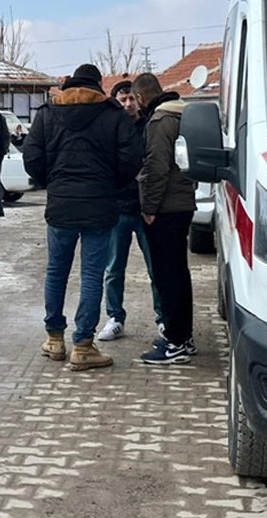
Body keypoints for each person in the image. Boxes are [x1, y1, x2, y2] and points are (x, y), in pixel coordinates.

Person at [23, 63, 142, 371]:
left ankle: (54, 339)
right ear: (98, 85)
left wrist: (53, 182)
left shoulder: (48, 113)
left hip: (61, 205)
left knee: (56, 271)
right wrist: (110, 184)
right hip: (100, 206)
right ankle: (83, 346)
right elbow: (132, 159)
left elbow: (32, 157)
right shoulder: (113, 115)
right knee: (91, 275)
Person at [132, 72, 198, 365]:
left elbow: (156, 168)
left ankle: (174, 343)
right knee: (179, 274)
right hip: (183, 203)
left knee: (167, 276)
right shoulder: (183, 114)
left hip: (166, 208)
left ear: (140, 98)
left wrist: (149, 207)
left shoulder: (160, 122)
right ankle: (184, 336)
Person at [96, 80, 163, 343]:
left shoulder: (150, 125)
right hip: (118, 210)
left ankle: (163, 318)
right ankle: (115, 317)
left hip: (147, 209)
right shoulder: (110, 128)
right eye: (122, 99)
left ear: (138, 99)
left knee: (155, 267)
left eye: (131, 99)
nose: (127, 104)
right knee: (113, 268)